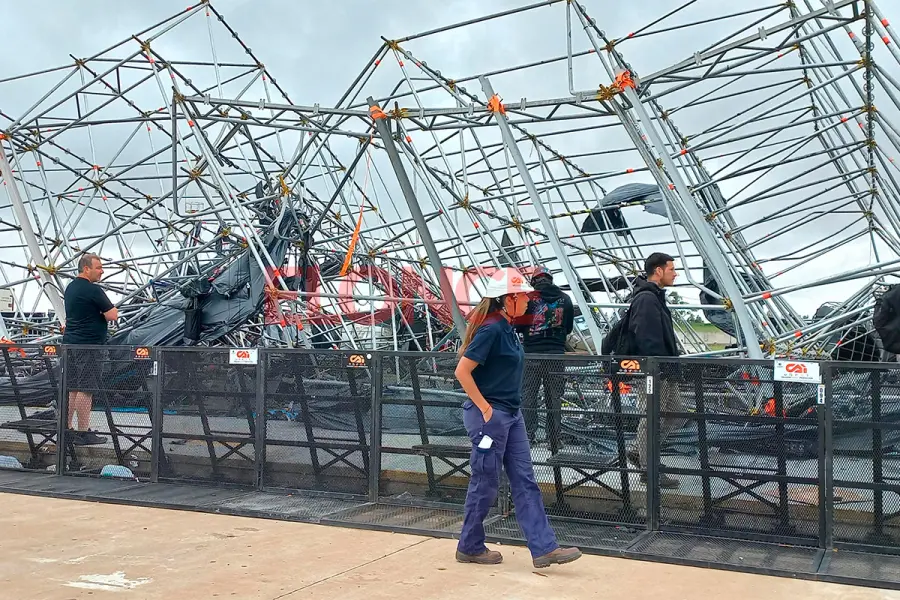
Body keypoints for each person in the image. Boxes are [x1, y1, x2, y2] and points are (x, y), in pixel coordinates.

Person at [454, 272, 582, 568]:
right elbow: (462, 371)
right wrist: (485, 408)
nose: (529, 301)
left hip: (511, 414)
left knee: (525, 480)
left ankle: (544, 548)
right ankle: (469, 546)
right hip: (492, 416)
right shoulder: (492, 330)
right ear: (508, 299)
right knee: (485, 482)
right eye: (524, 296)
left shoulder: (508, 329)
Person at [624, 252, 683, 489]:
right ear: (658, 271)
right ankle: (649, 469)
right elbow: (646, 336)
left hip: (663, 368)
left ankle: (640, 452)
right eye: (671, 269)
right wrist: (656, 366)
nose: (675, 273)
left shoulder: (653, 297)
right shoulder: (647, 299)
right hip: (656, 370)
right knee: (654, 416)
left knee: (674, 413)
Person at [516, 266, 574, 450]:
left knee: (528, 397)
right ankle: (554, 440)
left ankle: (527, 437)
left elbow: (518, 326)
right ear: (551, 279)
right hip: (555, 356)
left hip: (531, 355)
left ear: (534, 281)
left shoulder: (528, 300)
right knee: (554, 398)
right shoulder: (565, 299)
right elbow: (569, 327)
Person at [61, 253, 116, 445]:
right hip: (89, 345)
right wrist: (101, 313)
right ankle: (83, 433)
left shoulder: (70, 288)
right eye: (99, 267)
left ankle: (67, 429)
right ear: (87, 268)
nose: (102, 271)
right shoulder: (93, 290)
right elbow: (113, 315)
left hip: (70, 344)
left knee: (73, 387)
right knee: (87, 388)